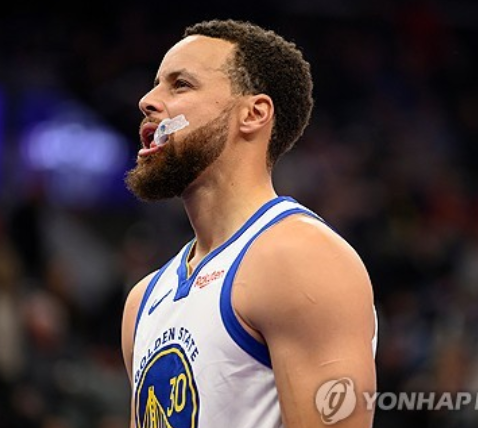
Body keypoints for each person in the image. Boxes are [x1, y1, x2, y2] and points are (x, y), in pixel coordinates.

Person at [121, 19, 377, 428]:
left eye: (180, 85)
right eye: (155, 84)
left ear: (253, 114)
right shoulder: (143, 300)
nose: (147, 101)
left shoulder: (301, 260)